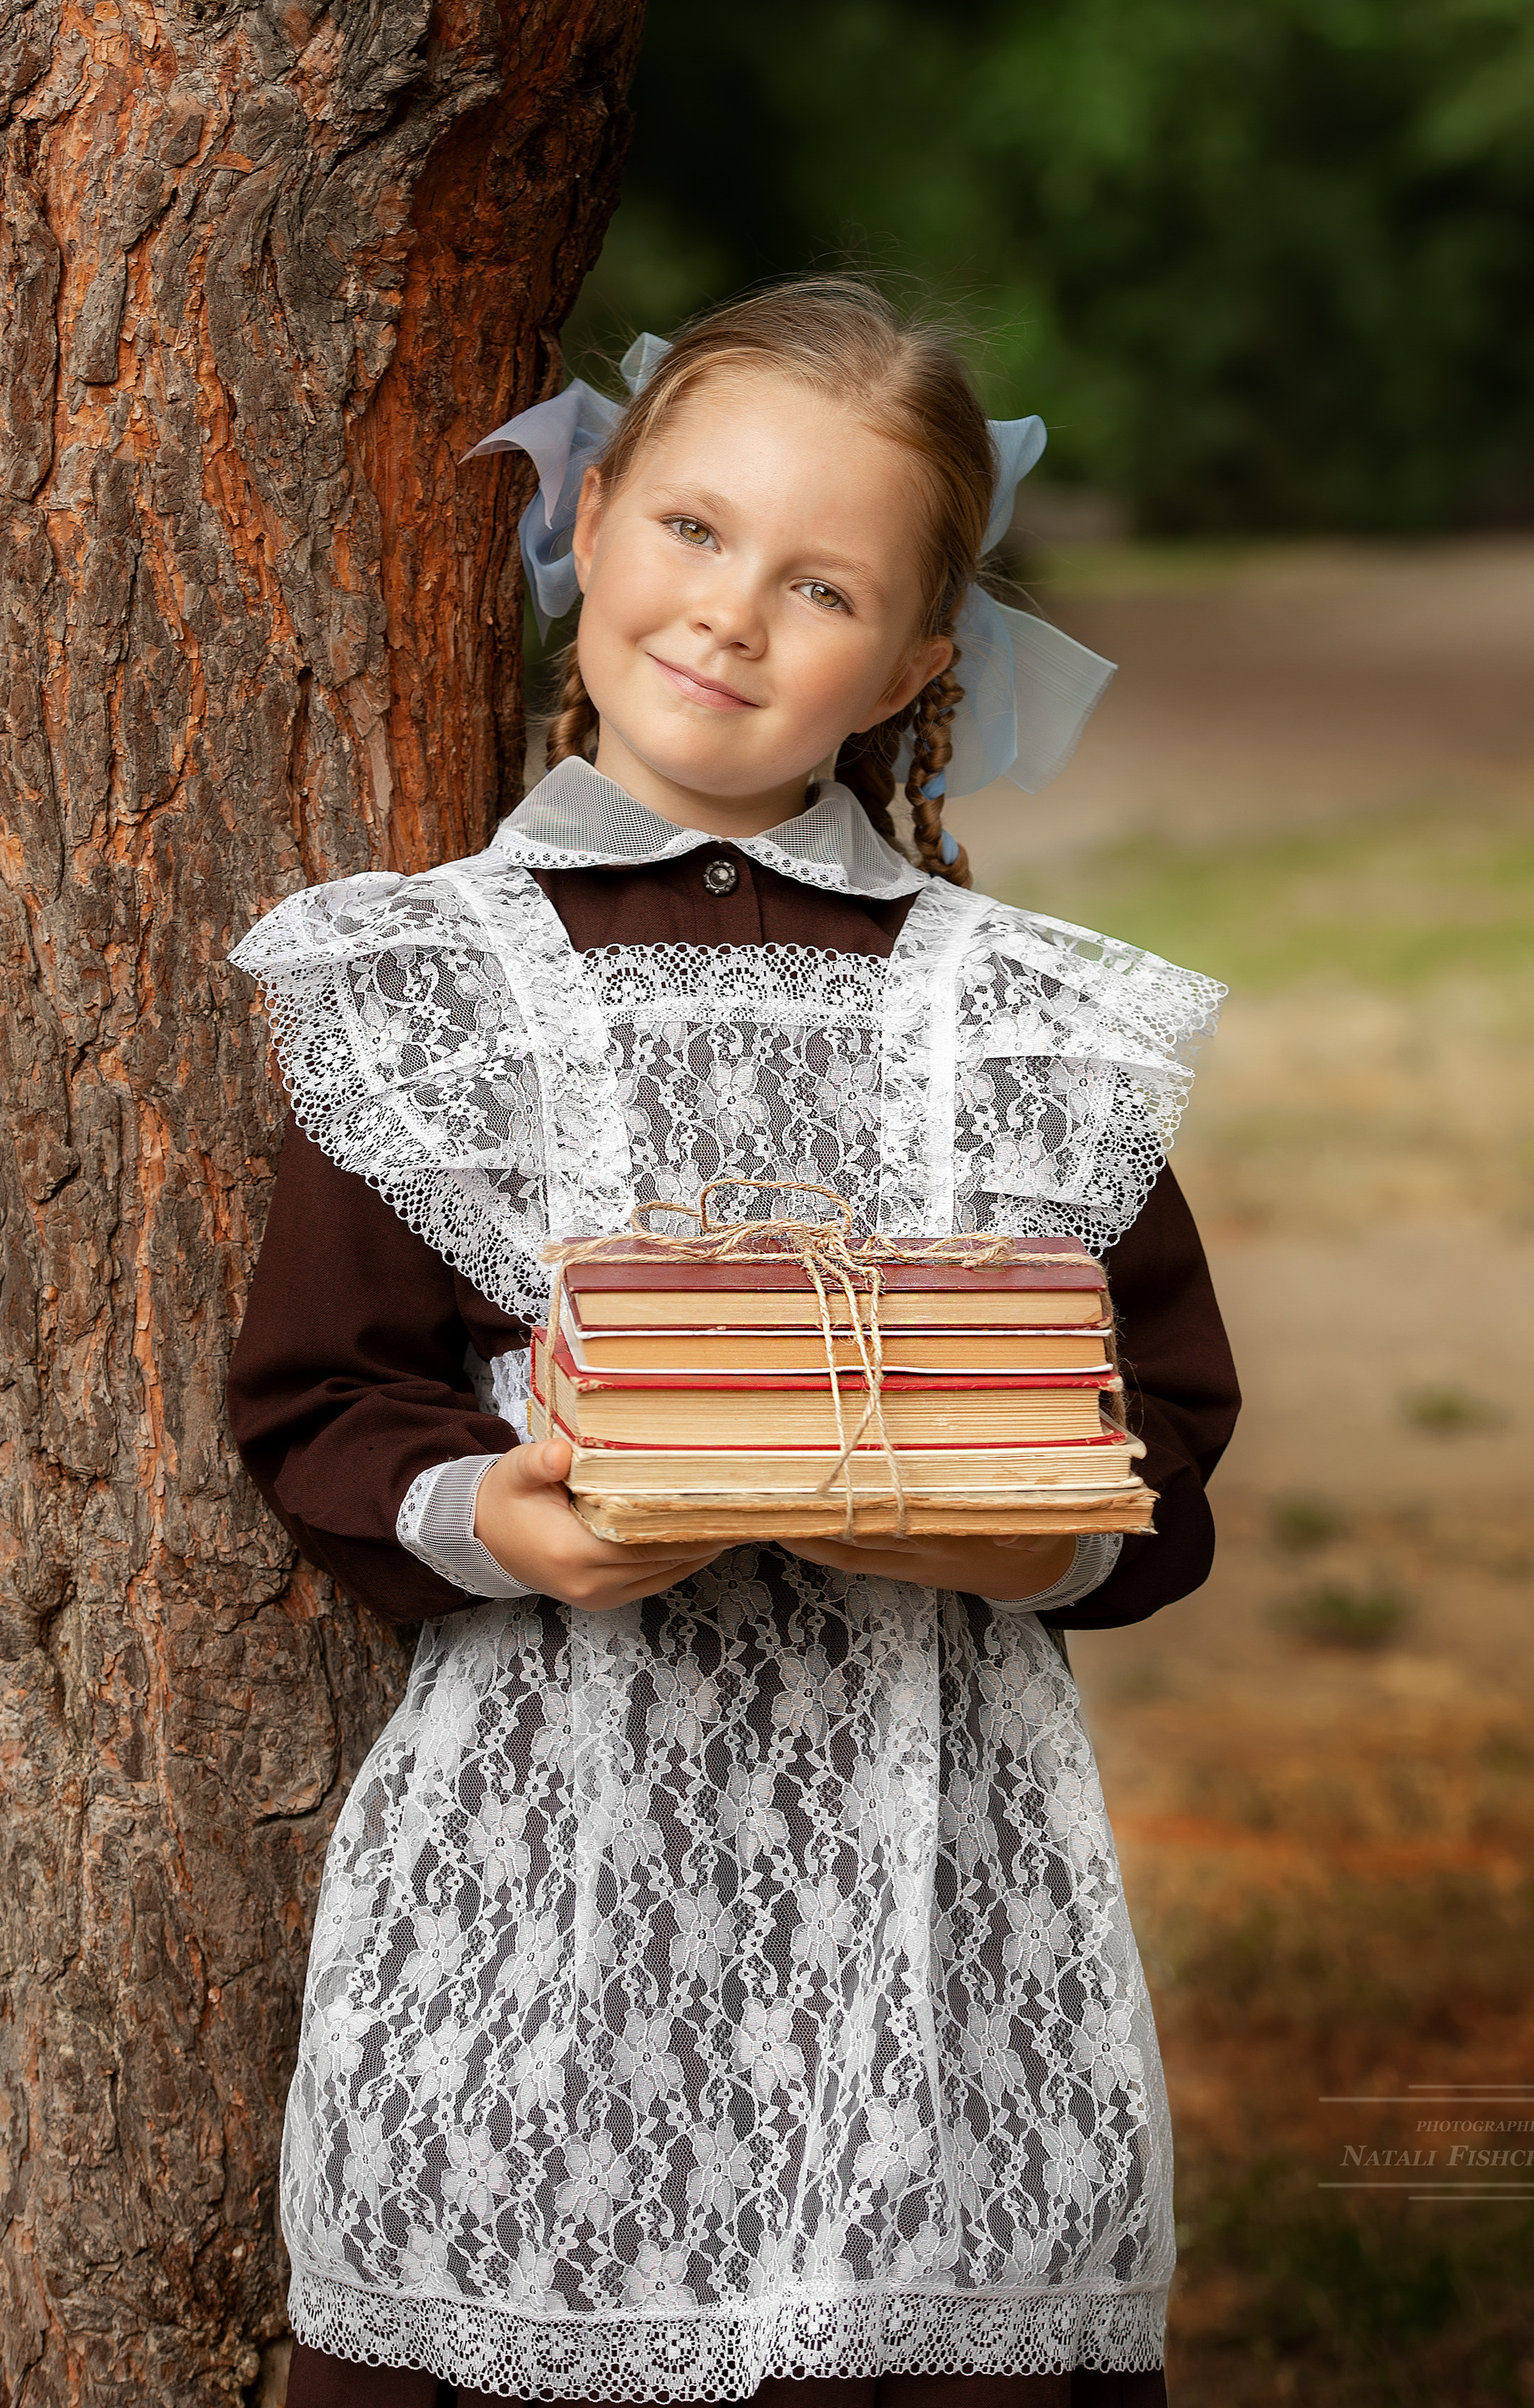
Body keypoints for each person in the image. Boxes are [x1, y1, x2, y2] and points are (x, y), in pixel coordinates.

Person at [226, 278, 1241, 2408]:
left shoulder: (1024, 1022)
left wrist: (1028, 1539)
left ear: (920, 664)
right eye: (693, 529)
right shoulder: (431, 986)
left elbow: (1162, 1436)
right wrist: (503, 1515)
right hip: (546, 1877)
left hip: (931, 1907)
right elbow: (322, 1396)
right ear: (590, 521)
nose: (732, 615)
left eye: (824, 586)